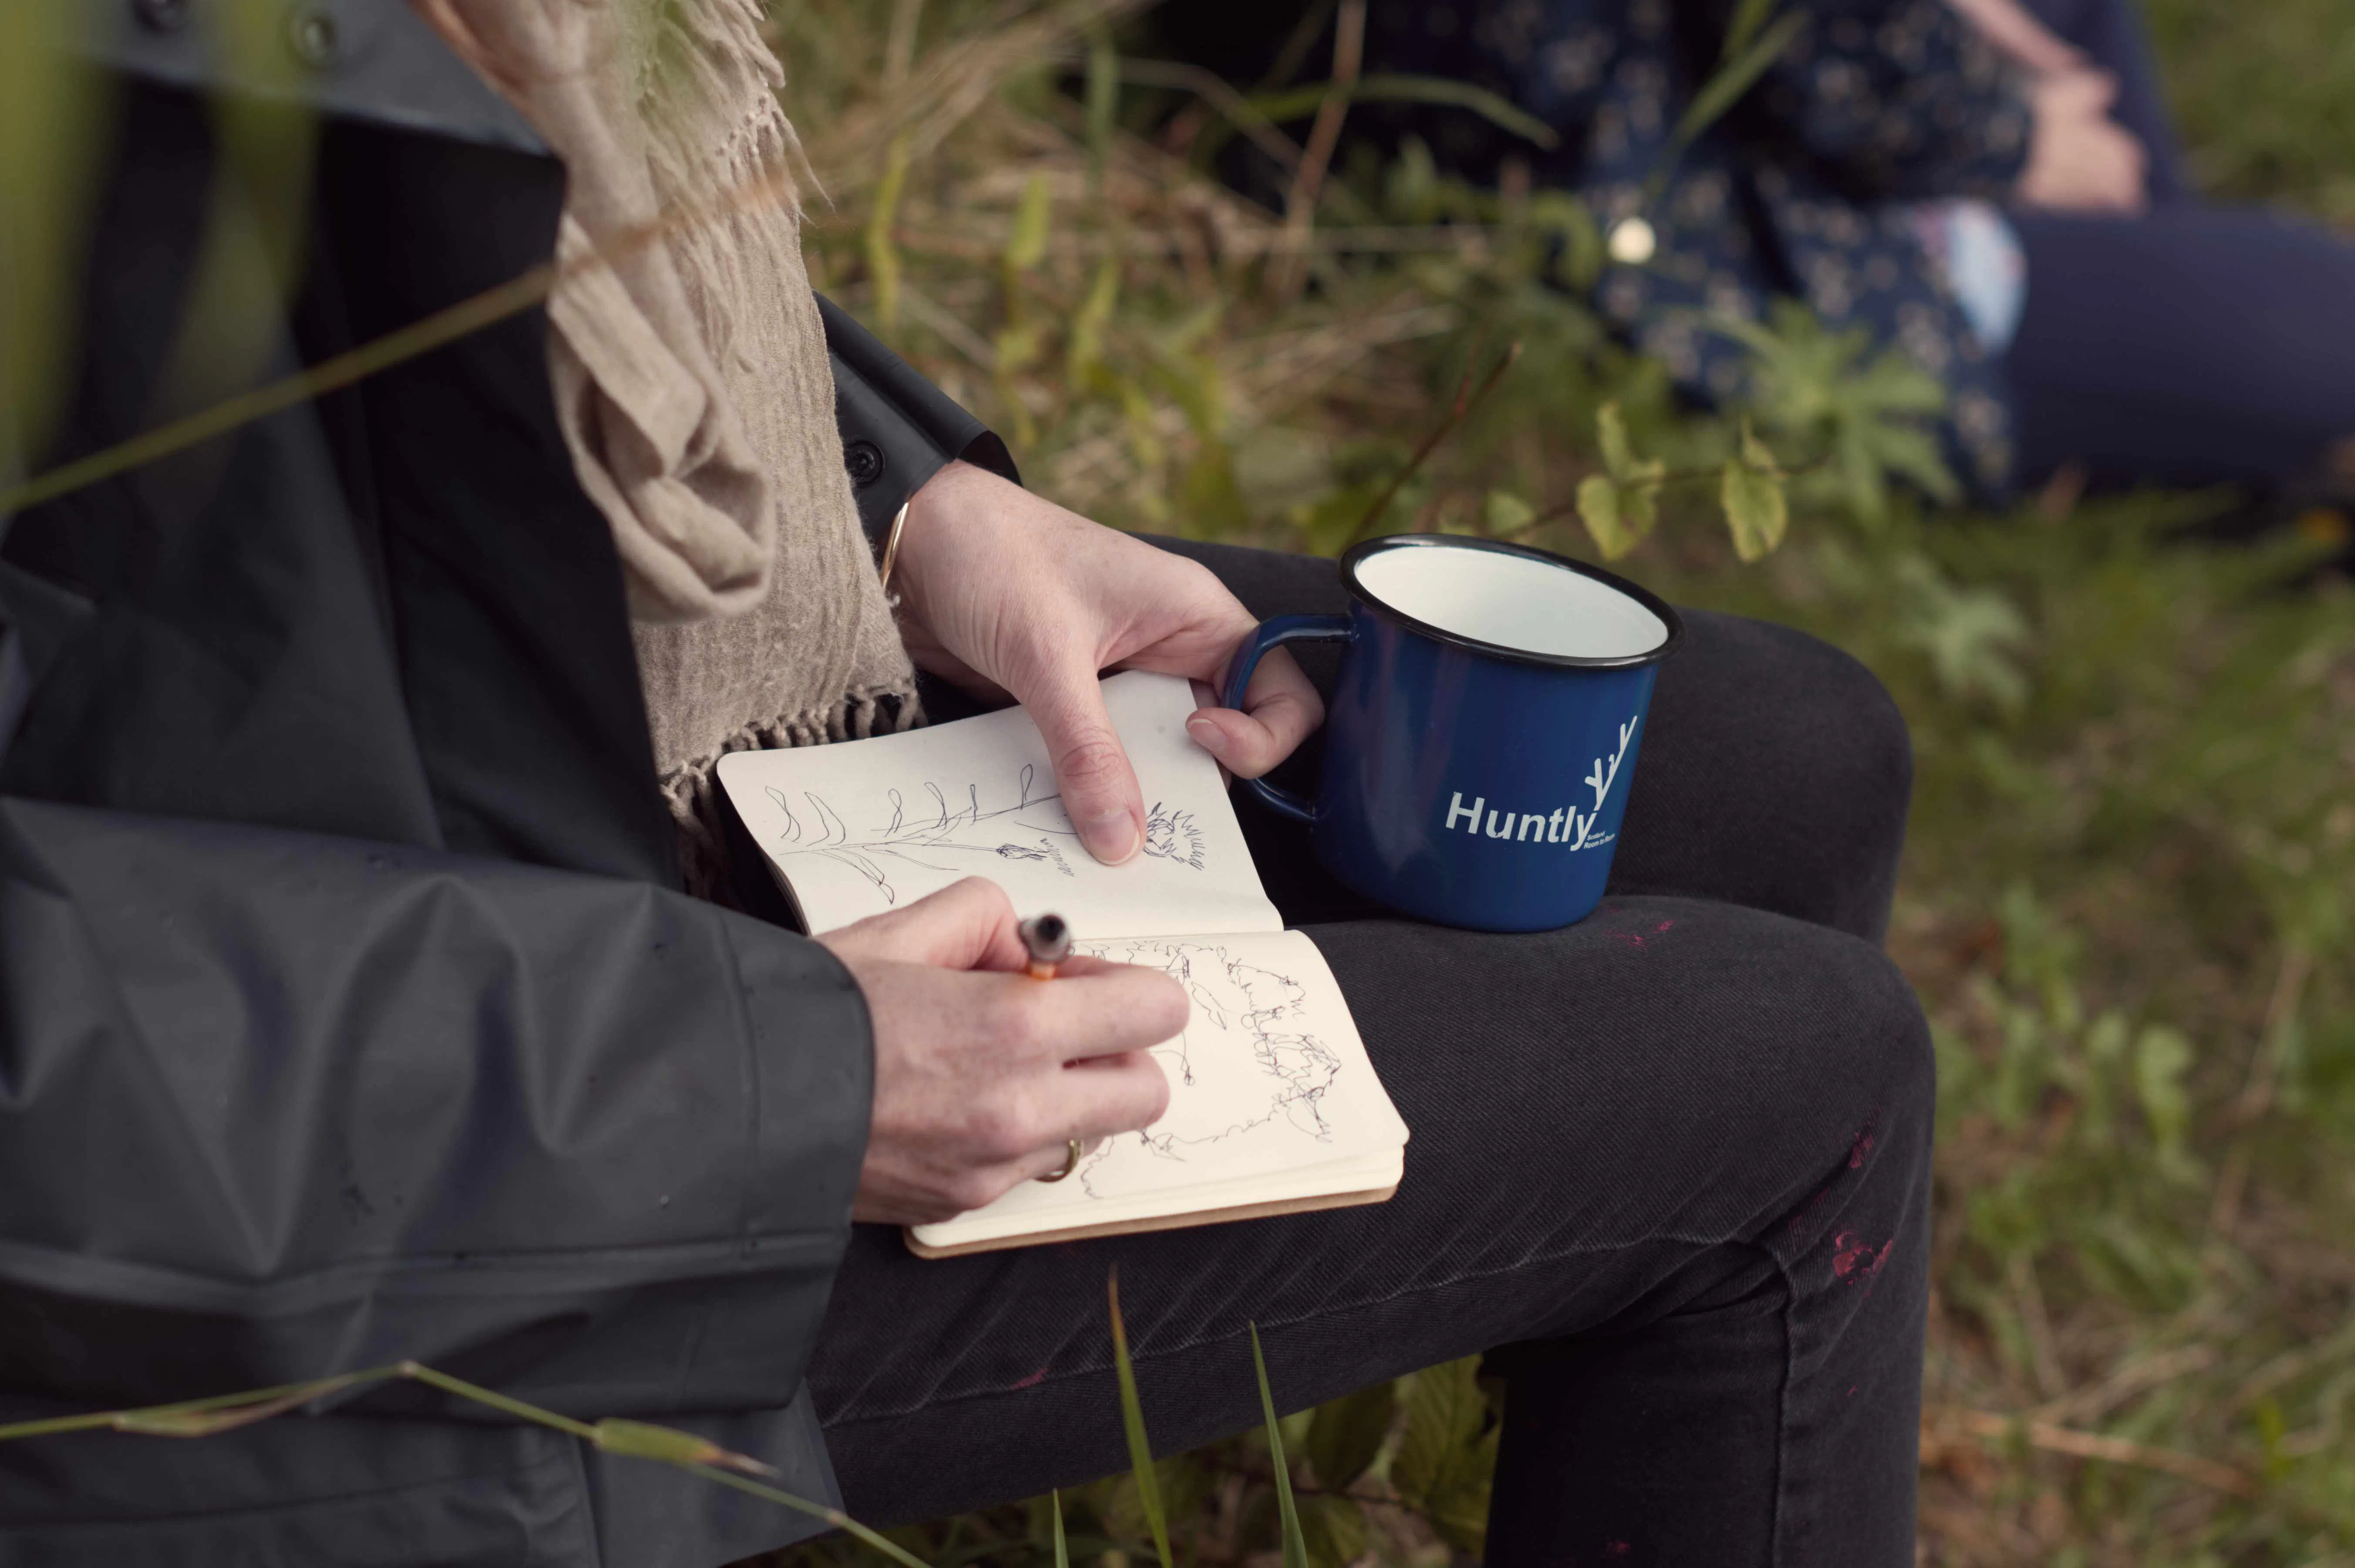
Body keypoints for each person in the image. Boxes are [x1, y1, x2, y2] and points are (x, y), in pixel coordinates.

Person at [0, 3, 1929, 1564]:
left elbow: (521, 274)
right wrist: (774, 1086)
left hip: (566, 768)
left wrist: (906, 506)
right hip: (424, 1211)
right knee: (1800, 1080)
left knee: (1787, 761)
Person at [1157, 0, 2355, 506]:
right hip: (1612, 167)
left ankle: (2152, 306)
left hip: (1427, 61)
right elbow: (1827, 62)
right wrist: (2006, 133)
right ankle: (2154, 354)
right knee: (2332, 316)